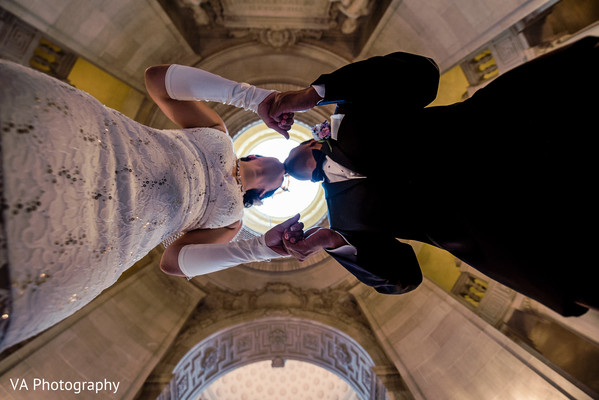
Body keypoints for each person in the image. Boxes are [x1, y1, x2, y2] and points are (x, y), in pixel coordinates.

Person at [269, 36, 599, 317]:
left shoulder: (350, 112)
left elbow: (422, 73)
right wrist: (331, 241)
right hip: (514, 231)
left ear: (311, 140)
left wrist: (314, 94)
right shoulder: (345, 225)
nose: (287, 170)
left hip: (515, 132)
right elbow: (403, 277)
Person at [0, 59, 297, 352]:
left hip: (110, 228)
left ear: (267, 194)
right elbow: (156, 80)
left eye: (285, 184)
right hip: (104, 146)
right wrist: (253, 98)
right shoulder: (217, 131)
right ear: (257, 155)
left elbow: (172, 263)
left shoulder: (233, 222)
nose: (283, 171)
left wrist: (259, 249)